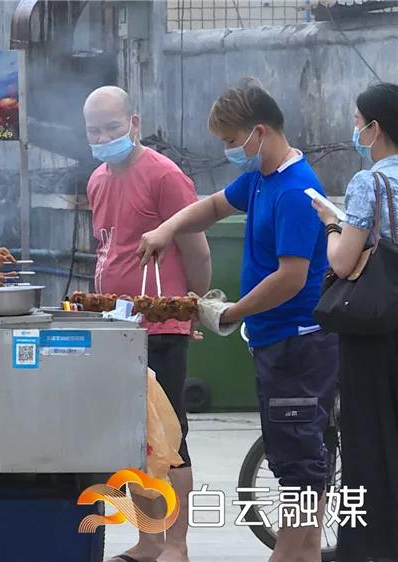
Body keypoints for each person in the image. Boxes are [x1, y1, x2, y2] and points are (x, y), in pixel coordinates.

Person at [139, 78, 338, 562]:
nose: (228, 150)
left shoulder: (295, 191)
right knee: (299, 471)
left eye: (231, 141)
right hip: (275, 345)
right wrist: (167, 227)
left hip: (298, 347)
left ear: (260, 132)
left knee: (298, 477)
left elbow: (291, 278)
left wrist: (234, 310)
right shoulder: (260, 180)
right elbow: (212, 206)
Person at [83, 86, 211, 562]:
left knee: (170, 438)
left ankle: (176, 545)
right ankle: (147, 539)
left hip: (160, 327)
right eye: (94, 130)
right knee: (128, 438)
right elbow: (108, 247)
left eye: (111, 128)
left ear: (133, 123)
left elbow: (197, 248)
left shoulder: (164, 175)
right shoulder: (97, 178)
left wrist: (190, 305)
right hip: (112, 328)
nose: (102, 137)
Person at [311, 82, 398, 562]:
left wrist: (330, 222)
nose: (356, 128)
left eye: (358, 120)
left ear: (375, 127)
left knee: (366, 437)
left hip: (376, 326)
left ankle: (368, 547)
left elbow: (344, 264)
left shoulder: (372, 181)